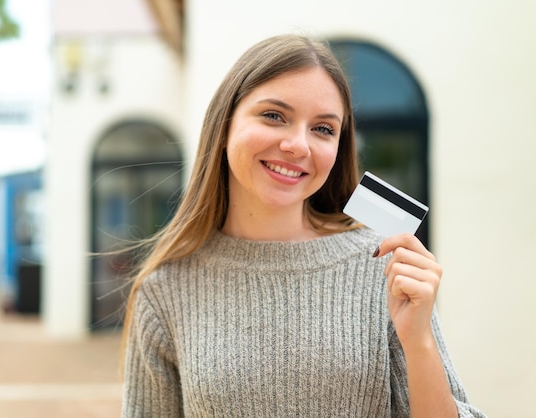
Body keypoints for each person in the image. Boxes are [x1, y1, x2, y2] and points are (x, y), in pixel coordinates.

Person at [121, 33, 486, 417]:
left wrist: (419, 342)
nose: (299, 145)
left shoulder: (383, 264)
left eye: (324, 129)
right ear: (225, 124)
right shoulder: (165, 292)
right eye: (274, 116)